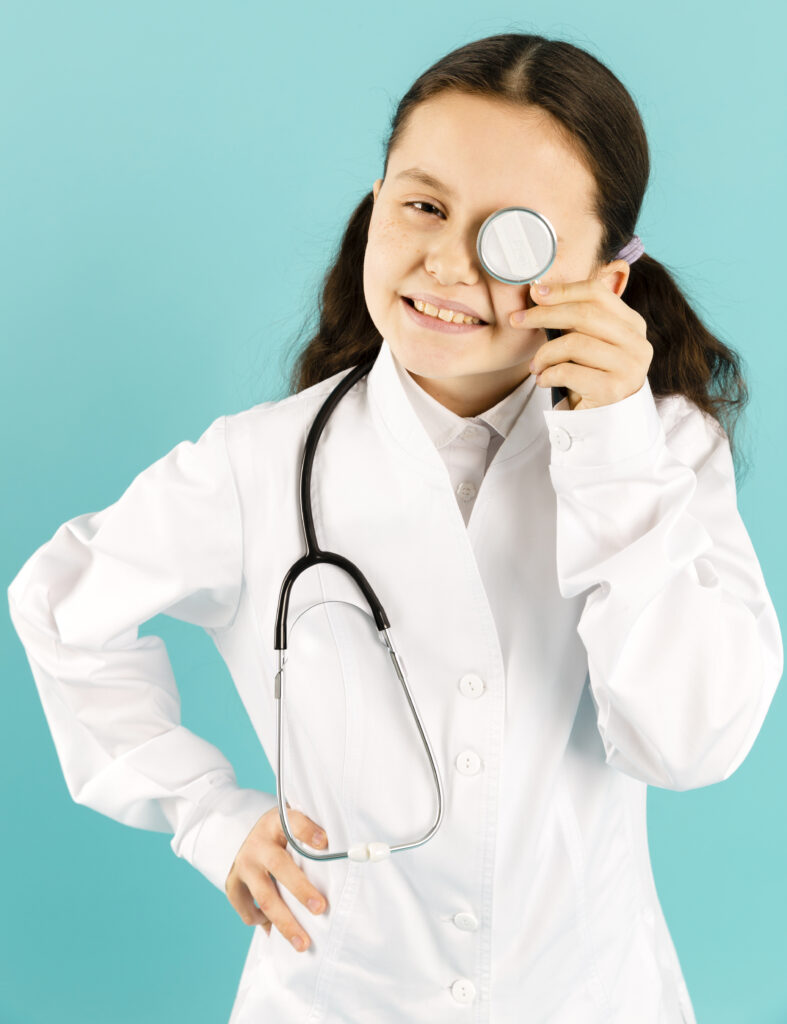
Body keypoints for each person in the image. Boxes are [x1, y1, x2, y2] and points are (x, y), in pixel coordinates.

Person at [7, 31, 783, 1024]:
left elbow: (687, 744)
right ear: (374, 208)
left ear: (606, 282)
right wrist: (206, 813)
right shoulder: (261, 463)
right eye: (422, 205)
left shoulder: (662, 451)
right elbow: (62, 604)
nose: (448, 262)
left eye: (516, 236)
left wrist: (614, 451)